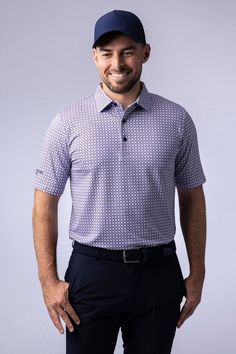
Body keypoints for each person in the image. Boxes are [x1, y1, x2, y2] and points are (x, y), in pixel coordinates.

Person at [32, 9, 207, 354]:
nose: (118, 63)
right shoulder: (67, 123)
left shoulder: (176, 120)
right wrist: (48, 280)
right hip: (91, 272)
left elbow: (192, 198)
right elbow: (44, 205)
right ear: (94, 56)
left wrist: (197, 272)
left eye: (128, 51)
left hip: (159, 274)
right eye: (107, 52)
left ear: (145, 53)